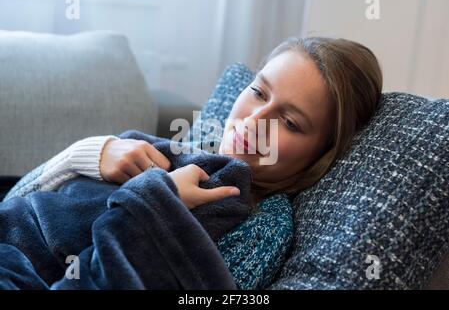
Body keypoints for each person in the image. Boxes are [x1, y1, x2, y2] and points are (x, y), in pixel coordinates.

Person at [1, 37, 383, 289]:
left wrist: (157, 202)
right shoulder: (170, 149)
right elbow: (17, 206)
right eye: (257, 91)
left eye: (289, 122)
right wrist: (88, 153)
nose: (253, 122)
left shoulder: (263, 227)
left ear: (320, 155)